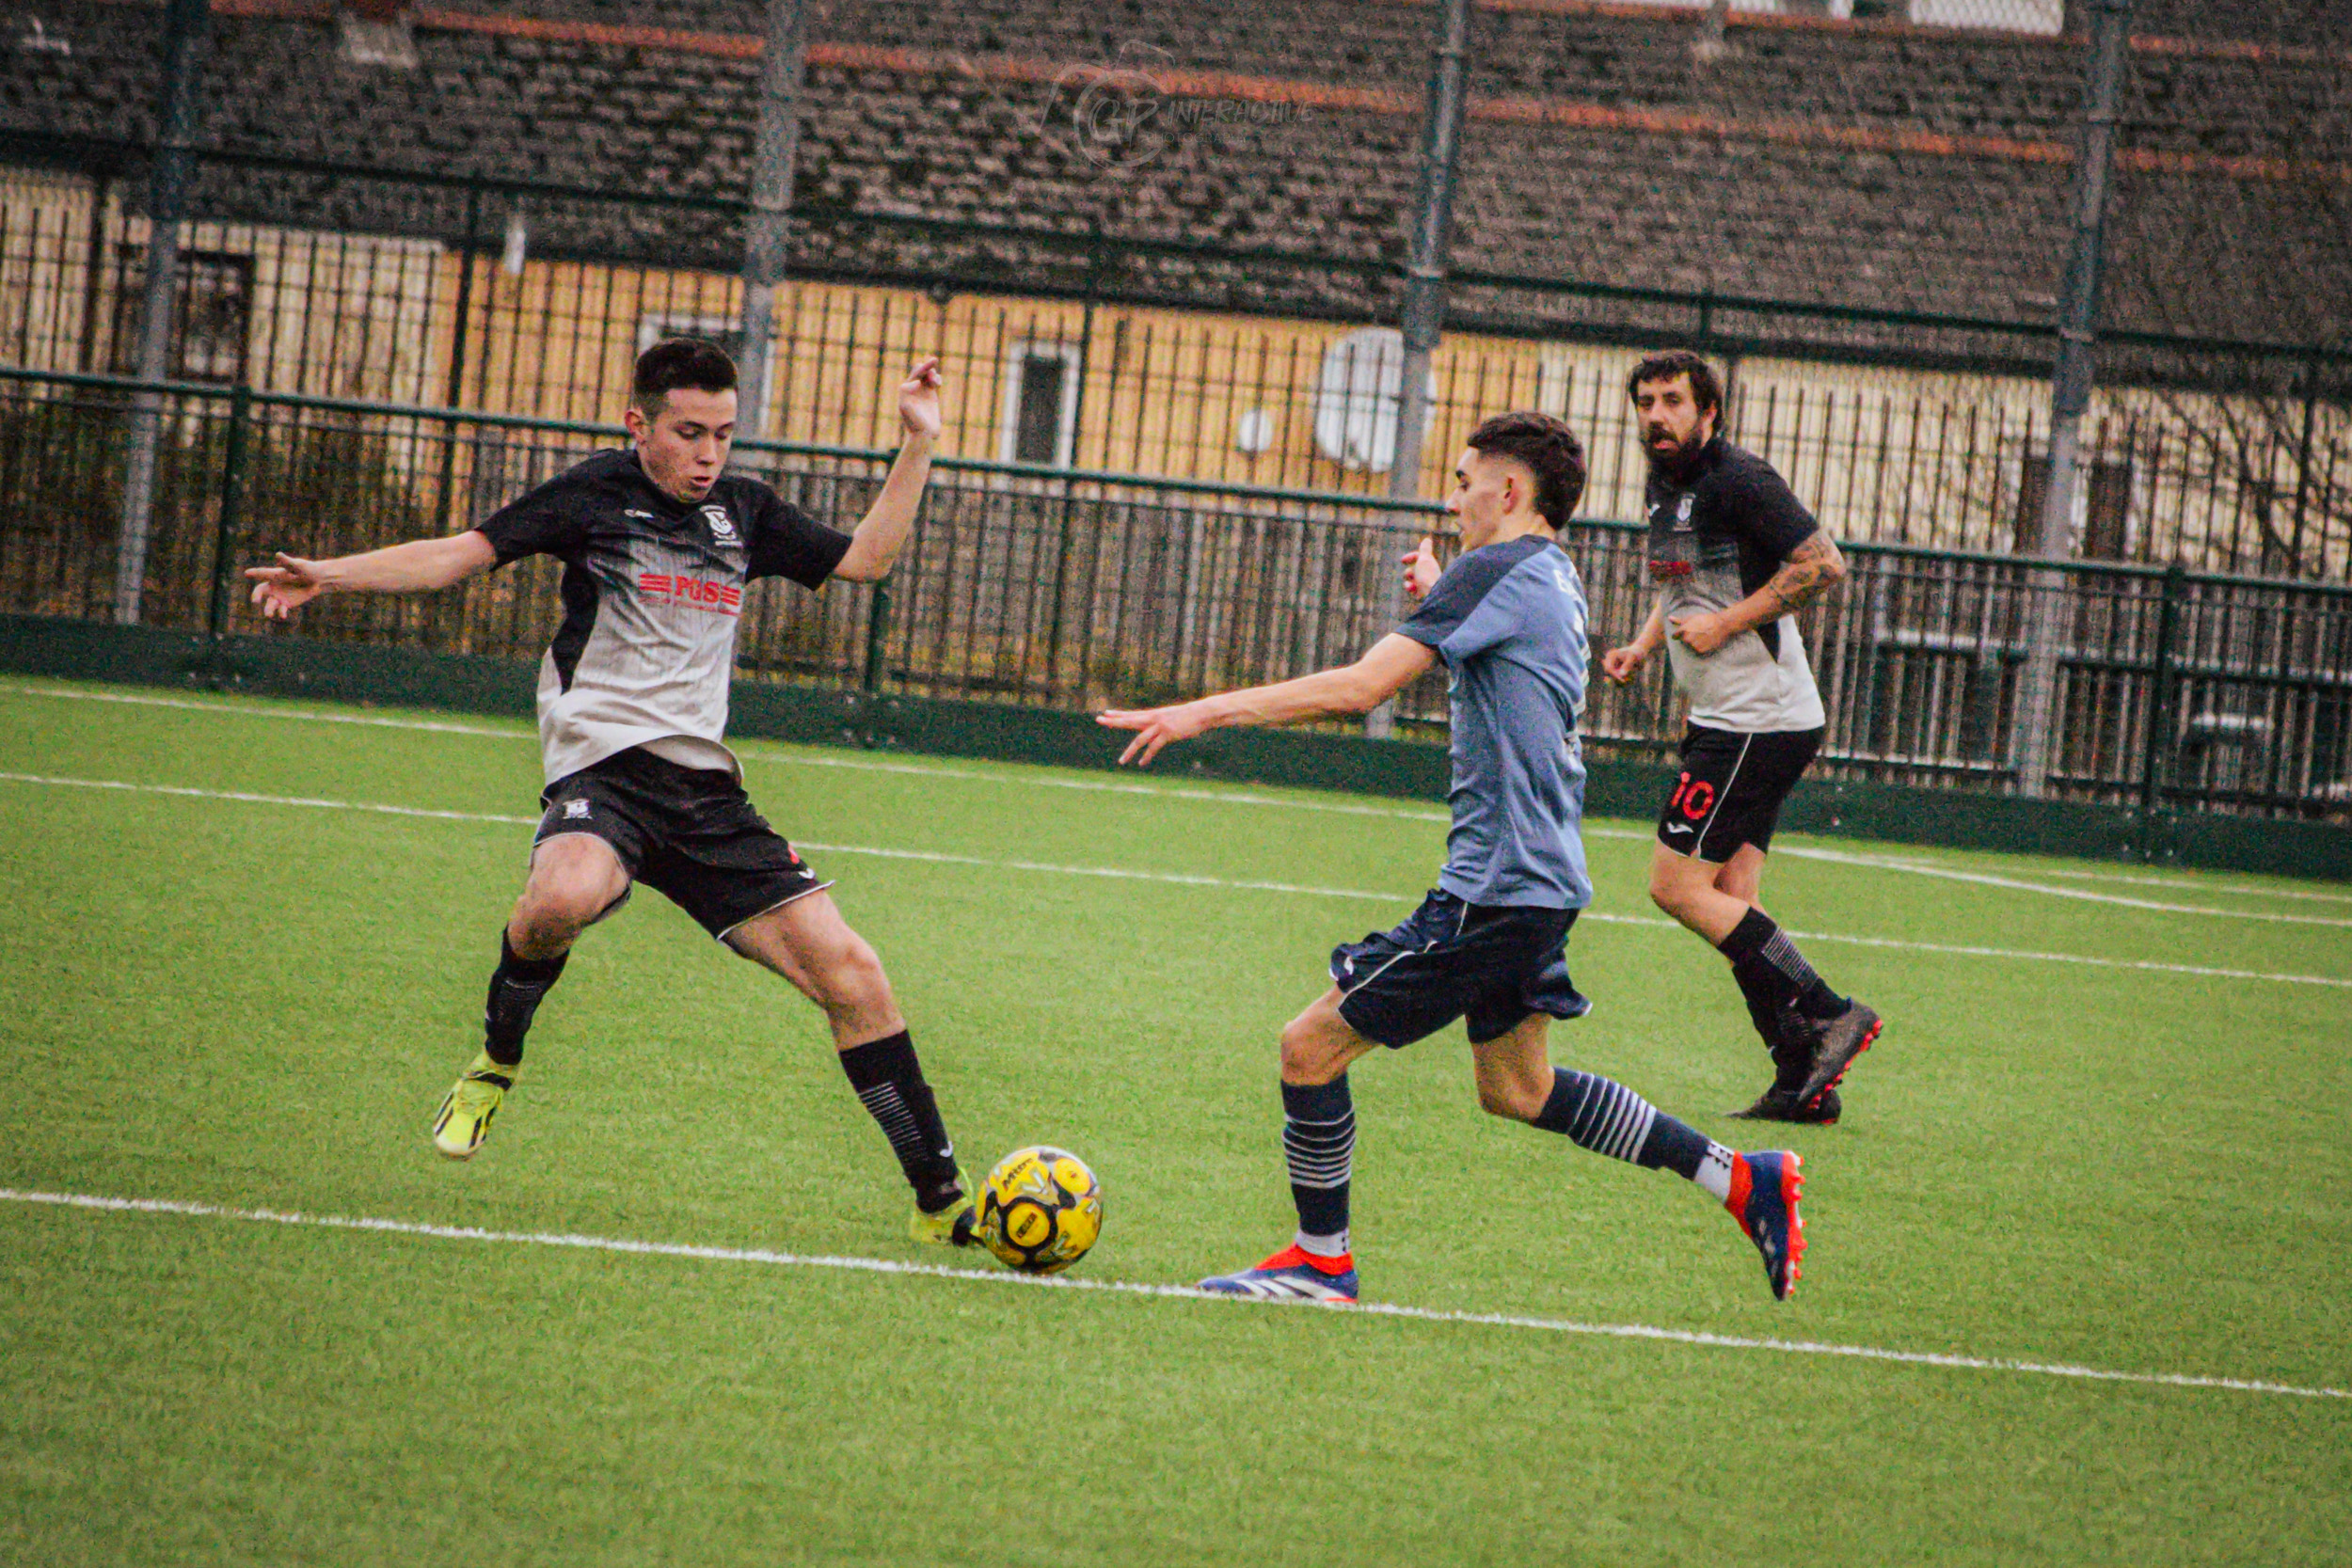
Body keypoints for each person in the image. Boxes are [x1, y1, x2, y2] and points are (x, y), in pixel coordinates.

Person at [245, 340, 983, 1247]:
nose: (709, 453)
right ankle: (497, 1059)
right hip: (604, 774)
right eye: (688, 433)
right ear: (639, 425)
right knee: (560, 895)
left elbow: (867, 559)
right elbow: (455, 557)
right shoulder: (593, 496)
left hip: (706, 797)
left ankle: (939, 1199)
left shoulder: (744, 514)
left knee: (856, 975)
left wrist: (919, 442)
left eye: (723, 434)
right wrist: (331, 573)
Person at [1099, 411, 1806, 1305]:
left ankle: (1322, 1264)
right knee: (1519, 1088)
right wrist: (1447, 588)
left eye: (1467, 478)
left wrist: (1200, 711)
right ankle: (1742, 1179)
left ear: (1509, 492)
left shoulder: (1498, 571)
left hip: (1497, 895)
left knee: (1309, 1046)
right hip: (1538, 885)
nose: (1453, 494)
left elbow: (1362, 687)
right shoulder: (1548, 574)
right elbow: (1499, 657)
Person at [1600, 350, 1881, 1124]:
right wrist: (1644, 645)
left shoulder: (1740, 480)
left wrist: (1724, 623)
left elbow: (1824, 565)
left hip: (1760, 722)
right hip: (1733, 721)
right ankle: (1802, 1079)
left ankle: (1826, 1009)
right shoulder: (1670, 486)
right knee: (1732, 899)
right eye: (1646, 401)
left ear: (1709, 411)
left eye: (1673, 402)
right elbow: (1685, 586)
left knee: (1674, 886)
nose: (1657, 415)